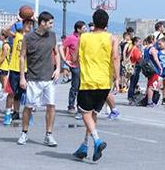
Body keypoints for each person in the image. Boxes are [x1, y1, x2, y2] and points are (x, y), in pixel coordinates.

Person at [72, 9, 119, 162]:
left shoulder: (84, 37)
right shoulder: (112, 38)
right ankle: (84, 146)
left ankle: (97, 141)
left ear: (93, 21)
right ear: (106, 23)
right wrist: (117, 79)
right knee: (93, 115)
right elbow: (116, 58)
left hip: (88, 82)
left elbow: (74, 58)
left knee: (85, 112)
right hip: (105, 82)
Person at [18, 11, 61, 147]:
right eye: (50, 23)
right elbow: (22, 57)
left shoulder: (53, 36)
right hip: (33, 78)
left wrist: (58, 68)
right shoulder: (29, 37)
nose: (52, 25)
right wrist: (22, 77)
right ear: (42, 23)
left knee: (51, 106)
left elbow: (57, 53)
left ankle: (49, 134)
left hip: (49, 78)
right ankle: (24, 133)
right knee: (29, 107)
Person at [147, 37, 165, 106]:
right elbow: (154, 58)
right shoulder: (157, 51)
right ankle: (154, 99)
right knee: (157, 86)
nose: (159, 45)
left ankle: (164, 99)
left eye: (160, 44)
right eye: (158, 44)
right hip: (160, 71)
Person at [64, 21, 84, 113]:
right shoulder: (71, 38)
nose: (85, 29)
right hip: (75, 65)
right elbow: (61, 47)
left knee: (82, 86)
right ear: (78, 29)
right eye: (84, 28)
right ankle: (71, 105)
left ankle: (80, 105)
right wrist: (65, 59)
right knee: (75, 86)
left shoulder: (85, 38)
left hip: (84, 65)